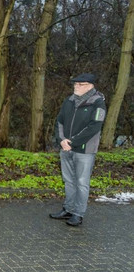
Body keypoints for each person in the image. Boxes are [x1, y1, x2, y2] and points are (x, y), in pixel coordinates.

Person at [49, 73, 106, 226]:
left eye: (80, 84)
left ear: (90, 86)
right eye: (75, 84)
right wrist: (61, 140)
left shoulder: (98, 103)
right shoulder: (69, 101)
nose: (76, 86)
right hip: (66, 148)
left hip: (84, 150)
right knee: (68, 181)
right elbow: (59, 121)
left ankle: (78, 214)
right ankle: (68, 209)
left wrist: (72, 142)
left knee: (82, 182)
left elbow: (94, 127)